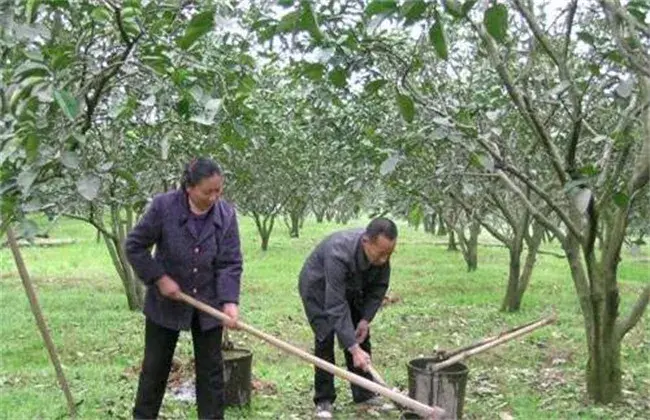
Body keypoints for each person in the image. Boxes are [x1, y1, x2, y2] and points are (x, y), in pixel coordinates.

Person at [126, 157, 243, 420]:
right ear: (188, 187)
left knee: (211, 372)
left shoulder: (225, 215)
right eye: (207, 192)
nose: (214, 197)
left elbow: (230, 262)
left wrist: (229, 302)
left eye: (218, 191)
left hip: (208, 304)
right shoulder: (163, 207)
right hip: (165, 304)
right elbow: (135, 246)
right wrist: (159, 278)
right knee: (155, 368)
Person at [298, 218, 398, 419]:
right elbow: (335, 305)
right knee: (325, 336)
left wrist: (364, 320)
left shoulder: (380, 255)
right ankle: (324, 399)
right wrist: (352, 349)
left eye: (389, 254)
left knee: (360, 336)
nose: (384, 260)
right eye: (380, 254)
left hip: (352, 287)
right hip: (318, 287)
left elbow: (378, 289)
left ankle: (364, 393)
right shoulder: (339, 252)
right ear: (366, 242)